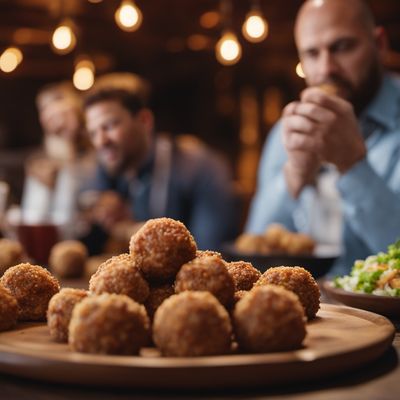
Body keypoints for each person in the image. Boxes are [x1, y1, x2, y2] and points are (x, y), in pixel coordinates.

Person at [246, 0, 400, 275]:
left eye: (342, 47)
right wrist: (294, 175)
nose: (326, 68)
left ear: (379, 44)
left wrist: (352, 165)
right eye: (312, 54)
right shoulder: (286, 131)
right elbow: (253, 251)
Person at [81, 73, 239, 253]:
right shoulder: (114, 166)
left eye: (110, 126)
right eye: (93, 133)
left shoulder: (201, 168)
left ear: (144, 120)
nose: (100, 141)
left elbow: (210, 257)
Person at [20, 82, 95, 238]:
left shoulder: (97, 152)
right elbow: (33, 217)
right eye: (43, 108)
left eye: (57, 101)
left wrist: (69, 139)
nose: (51, 113)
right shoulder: (40, 163)